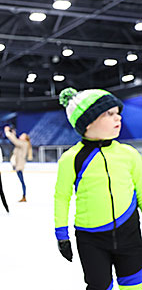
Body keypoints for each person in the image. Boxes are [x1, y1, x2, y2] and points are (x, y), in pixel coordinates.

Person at [55, 87, 142, 290]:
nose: (117, 118)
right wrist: (62, 234)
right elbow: (61, 197)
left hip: (129, 234)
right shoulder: (72, 158)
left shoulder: (128, 154)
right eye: (109, 114)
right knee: (99, 286)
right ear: (88, 121)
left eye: (118, 113)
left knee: (134, 285)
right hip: (90, 239)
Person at [4, 126, 32, 202]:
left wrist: (8, 133)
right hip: (18, 164)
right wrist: (13, 134)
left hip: (20, 165)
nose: (21, 136)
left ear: (25, 138)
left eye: (23, 135)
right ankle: (24, 196)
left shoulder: (24, 143)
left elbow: (15, 141)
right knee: (21, 181)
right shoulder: (23, 143)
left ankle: (24, 195)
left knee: (22, 181)